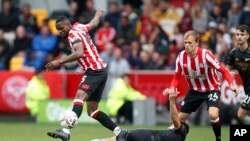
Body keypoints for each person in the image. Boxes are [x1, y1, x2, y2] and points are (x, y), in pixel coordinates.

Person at [46, 9, 126, 141]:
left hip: (94, 71)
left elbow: (79, 53)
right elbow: (93, 24)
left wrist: (58, 61)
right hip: (100, 70)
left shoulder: (72, 35)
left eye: (61, 28)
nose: (60, 31)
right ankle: (120, 132)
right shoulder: (79, 26)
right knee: (92, 111)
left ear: (68, 25)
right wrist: (98, 14)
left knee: (79, 97)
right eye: (57, 29)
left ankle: (66, 131)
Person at [163, 30, 237, 141]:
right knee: (178, 119)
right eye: (185, 43)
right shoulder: (181, 57)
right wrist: (172, 89)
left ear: (197, 43)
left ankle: (218, 138)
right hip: (194, 90)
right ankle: (170, 138)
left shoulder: (206, 55)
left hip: (211, 88)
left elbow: (224, 71)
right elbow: (176, 76)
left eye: (190, 43)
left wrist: (231, 84)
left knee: (213, 114)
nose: (187, 46)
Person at [91, 88, 189, 141]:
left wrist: (172, 101)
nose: (171, 124)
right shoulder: (176, 137)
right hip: (144, 137)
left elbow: (175, 119)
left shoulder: (181, 132)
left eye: (172, 125)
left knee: (122, 137)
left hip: (144, 136)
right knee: (122, 137)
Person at [226, 25, 250, 124]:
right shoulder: (233, 53)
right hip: (247, 89)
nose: (239, 37)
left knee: (241, 114)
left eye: (242, 34)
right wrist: (229, 74)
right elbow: (227, 69)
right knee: (241, 115)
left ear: (248, 36)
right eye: (237, 34)